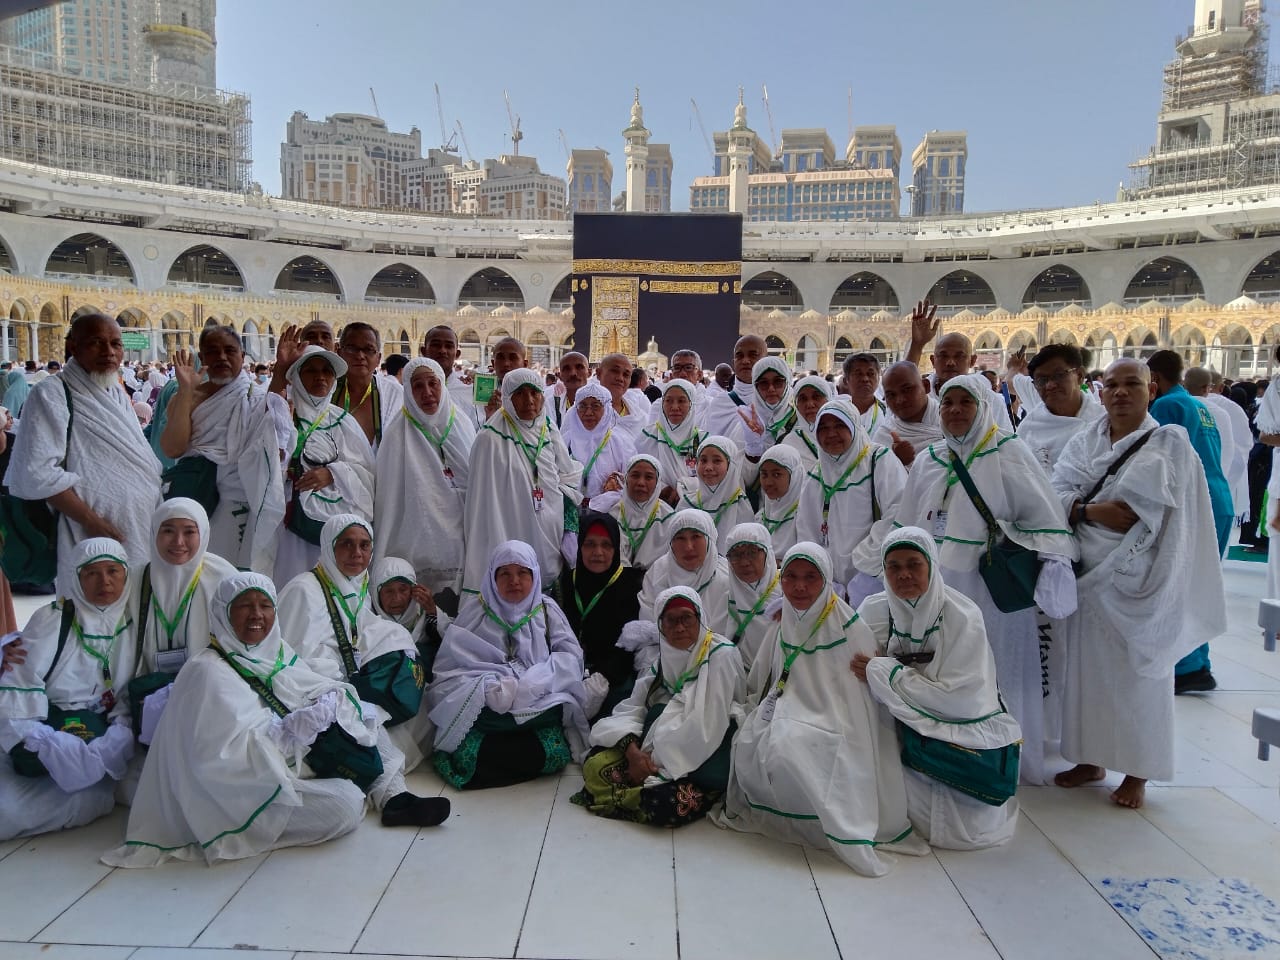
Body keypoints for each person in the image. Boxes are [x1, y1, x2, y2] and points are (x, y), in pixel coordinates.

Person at [103, 573, 449, 867]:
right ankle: (357, 788)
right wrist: (288, 734)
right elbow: (219, 761)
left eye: (265, 605)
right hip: (247, 788)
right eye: (244, 606)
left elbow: (306, 683)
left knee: (366, 715)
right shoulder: (207, 671)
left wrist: (331, 700)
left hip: (300, 753)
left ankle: (394, 798)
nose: (257, 615)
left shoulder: (275, 649)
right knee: (343, 805)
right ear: (224, 612)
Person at [1052, 358, 1226, 809]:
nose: (1121, 392)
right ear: (1100, 391)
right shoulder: (1085, 440)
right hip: (1086, 574)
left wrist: (1162, 579)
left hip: (1140, 579)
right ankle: (1090, 758)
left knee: (1139, 678)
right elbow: (1056, 491)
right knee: (1087, 677)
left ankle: (1138, 772)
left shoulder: (1169, 444)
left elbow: (1176, 521)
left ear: (1152, 390)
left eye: (1132, 384)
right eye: (1112, 384)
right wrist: (1089, 511)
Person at [892, 373, 1077, 785]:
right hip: (938, 584)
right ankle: (948, 756)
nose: (955, 410)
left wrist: (1051, 562)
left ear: (983, 406)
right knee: (945, 667)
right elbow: (907, 521)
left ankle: (1004, 757)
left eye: (966, 402)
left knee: (998, 667)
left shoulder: (1008, 452)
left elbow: (1044, 515)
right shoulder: (929, 458)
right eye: (948, 403)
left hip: (990, 586)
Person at [714, 542, 927, 876]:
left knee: (796, 748)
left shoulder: (850, 628)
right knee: (760, 743)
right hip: (786, 707)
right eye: (791, 577)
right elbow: (764, 678)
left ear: (826, 579)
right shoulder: (783, 621)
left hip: (841, 721)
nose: (800, 587)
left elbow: (861, 704)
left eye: (811, 577)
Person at [853, 527, 1023, 849]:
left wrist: (886, 672)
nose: (904, 575)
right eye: (893, 566)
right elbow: (854, 667)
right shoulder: (874, 610)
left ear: (931, 564)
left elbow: (962, 699)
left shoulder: (962, 616)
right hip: (897, 721)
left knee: (967, 822)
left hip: (958, 729)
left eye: (913, 564)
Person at [572, 585, 745, 826]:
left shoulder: (720, 655)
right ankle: (638, 790)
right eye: (670, 620)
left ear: (700, 618)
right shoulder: (664, 658)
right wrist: (633, 753)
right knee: (595, 764)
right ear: (660, 626)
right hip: (656, 745)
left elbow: (707, 724)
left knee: (663, 803)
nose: (679, 628)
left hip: (705, 748)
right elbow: (634, 706)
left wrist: (653, 763)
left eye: (686, 618)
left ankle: (670, 789)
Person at [0, 539, 137, 840]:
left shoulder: (135, 621)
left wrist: (117, 735)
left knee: (95, 798)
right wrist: (44, 742)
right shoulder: (53, 619)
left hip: (101, 734)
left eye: (113, 571)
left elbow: (131, 689)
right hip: (44, 728)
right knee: (8, 809)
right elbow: (21, 682)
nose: (104, 582)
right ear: (76, 578)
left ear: (126, 575)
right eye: (92, 573)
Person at [426, 540, 592, 789]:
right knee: (477, 735)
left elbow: (570, 658)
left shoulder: (546, 610)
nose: (514, 581)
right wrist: (485, 688)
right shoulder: (476, 611)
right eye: (504, 573)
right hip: (491, 708)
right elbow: (449, 668)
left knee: (553, 752)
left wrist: (534, 683)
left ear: (534, 575)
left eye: (522, 572)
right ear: (492, 577)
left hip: (537, 703)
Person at [277, 515, 431, 770]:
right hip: (314, 688)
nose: (357, 553)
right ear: (329, 547)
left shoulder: (357, 585)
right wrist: (339, 684)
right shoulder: (303, 589)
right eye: (346, 544)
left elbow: (358, 630)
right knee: (370, 740)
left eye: (364, 545)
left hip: (347, 678)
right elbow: (290, 661)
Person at [6, 313, 161, 565]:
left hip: (141, 525)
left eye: (116, 344)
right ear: (73, 346)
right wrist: (90, 521)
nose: (109, 352)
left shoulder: (115, 391)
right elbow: (37, 472)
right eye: (96, 343)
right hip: (87, 532)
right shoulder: (51, 393)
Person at [158, 325, 292, 575]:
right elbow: (173, 448)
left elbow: (271, 436)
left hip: (241, 498)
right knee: (196, 571)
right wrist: (186, 391)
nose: (221, 357)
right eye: (212, 351)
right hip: (197, 493)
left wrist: (282, 370)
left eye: (229, 351)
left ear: (242, 356)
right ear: (202, 357)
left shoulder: (256, 395)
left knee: (232, 574)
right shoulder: (188, 396)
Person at [1147, 350, 1232, 693]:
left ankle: (1185, 667)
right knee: (1198, 582)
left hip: (1194, 502)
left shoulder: (1167, 406)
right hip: (1217, 497)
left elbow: (1155, 457)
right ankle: (1198, 664)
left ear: (1153, 378)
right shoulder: (1199, 406)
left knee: (1178, 583)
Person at [462, 368, 582, 597]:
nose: (529, 401)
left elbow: (567, 471)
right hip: (509, 524)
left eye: (534, 393)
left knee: (545, 577)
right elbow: (482, 500)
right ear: (507, 397)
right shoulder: (489, 438)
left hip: (549, 522)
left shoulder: (547, 425)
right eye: (519, 394)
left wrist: (563, 496)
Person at [276, 344, 376, 585]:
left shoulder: (343, 421)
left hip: (335, 523)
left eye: (326, 371)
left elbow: (369, 475)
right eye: (310, 371)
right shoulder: (284, 413)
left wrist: (333, 473)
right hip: (289, 525)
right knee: (294, 579)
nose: (320, 377)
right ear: (296, 377)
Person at [373, 357, 475, 593]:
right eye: (418, 386)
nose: (427, 393)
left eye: (433, 383)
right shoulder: (397, 434)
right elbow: (390, 502)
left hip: (463, 539)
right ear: (408, 391)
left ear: (442, 384)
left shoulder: (461, 424)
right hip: (416, 541)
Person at [796, 400, 905, 599]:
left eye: (840, 425)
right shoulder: (816, 476)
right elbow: (807, 532)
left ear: (854, 426)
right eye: (823, 428)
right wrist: (823, 578)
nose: (831, 434)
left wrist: (865, 571)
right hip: (831, 588)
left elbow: (897, 513)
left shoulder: (879, 460)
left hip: (874, 579)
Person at [559, 512, 645, 718]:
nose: (598, 552)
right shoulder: (565, 584)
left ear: (616, 548)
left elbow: (629, 645)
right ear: (580, 547)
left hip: (613, 676)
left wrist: (602, 676)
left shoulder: (631, 586)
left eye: (606, 545)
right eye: (590, 544)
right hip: (568, 671)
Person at [637, 509, 732, 636]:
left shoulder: (728, 577)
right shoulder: (657, 574)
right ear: (671, 543)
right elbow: (649, 626)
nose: (688, 547)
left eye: (696, 537)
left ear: (709, 539)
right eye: (680, 538)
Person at [1017, 343, 1105, 473]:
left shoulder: (1105, 423)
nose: (1050, 385)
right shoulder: (1028, 428)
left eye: (1059, 375)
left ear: (1080, 375)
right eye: (1041, 380)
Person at [560, 380, 636, 515]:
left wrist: (614, 489)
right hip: (569, 513)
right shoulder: (565, 441)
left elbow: (631, 482)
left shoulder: (621, 443)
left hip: (608, 514)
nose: (588, 412)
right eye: (582, 406)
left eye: (596, 406)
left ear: (607, 409)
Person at [369, 556, 447, 678]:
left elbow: (449, 640)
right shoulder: (368, 620)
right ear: (376, 594)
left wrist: (432, 610)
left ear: (413, 590)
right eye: (389, 591)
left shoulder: (424, 614)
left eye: (403, 590)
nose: (397, 598)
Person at [679, 434, 755, 553]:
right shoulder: (687, 504)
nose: (708, 467)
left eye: (717, 461)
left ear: (730, 465)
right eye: (703, 460)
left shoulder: (740, 506)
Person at [334, 322, 403, 451]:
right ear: (339, 352)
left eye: (368, 350)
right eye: (352, 348)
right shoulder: (326, 392)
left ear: (378, 358)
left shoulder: (395, 394)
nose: (360, 356)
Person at [724, 523, 781, 668]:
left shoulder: (787, 590)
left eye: (752, 553)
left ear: (767, 553)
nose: (744, 562)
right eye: (736, 555)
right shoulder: (726, 596)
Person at [638, 378, 703, 503]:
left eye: (681, 401)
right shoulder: (648, 436)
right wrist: (662, 488)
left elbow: (711, 477)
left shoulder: (702, 440)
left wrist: (684, 488)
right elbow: (636, 471)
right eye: (668, 401)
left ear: (692, 404)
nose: (674, 407)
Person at [871, 360, 944, 469]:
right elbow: (877, 475)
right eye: (891, 395)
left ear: (926, 386)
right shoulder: (884, 436)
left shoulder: (950, 421)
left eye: (907, 390)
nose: (900, 400)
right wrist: (895, 462)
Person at [609, 454, 673, 570]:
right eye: (635, 475)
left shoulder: (668, 518)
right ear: (626, 479)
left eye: (648, 477)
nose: (641, 483)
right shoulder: (613, 514)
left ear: (657, 482)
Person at [701, 335, 766, 445]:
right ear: (734, 362)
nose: (745, 361)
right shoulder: (719, 403)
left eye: (753, 355)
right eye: (739, 356)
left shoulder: (774, 402)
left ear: (765, 360)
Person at [421, 324, 481, 429]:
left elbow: (477, 429)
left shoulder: (469, 391)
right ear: (424, 351)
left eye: (448, 346)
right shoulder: (412, 390)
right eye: (436, 345)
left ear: (457, 354)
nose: (442, 351)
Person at [756, 444, 804, 557]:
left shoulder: (805, 516)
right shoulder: (761, 516)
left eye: (776, 475)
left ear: (794, 476)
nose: (768, 482)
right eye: (764, 475)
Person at [781, 374, 832, 469]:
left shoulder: (844, 435)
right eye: (803, 399)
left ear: (829, 399)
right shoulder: (790, 443)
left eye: (816, 397)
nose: (810, 404)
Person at [595, 352, 651, 439]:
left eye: (626, 375)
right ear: (599, 373)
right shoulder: (581, 412)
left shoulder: (640, 417)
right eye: (615, 371)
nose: (620, 378)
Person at [750, 356, 798, 448]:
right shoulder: (747, 421)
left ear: (787, 383)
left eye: (778, 382)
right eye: (763, 383)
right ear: (755, 387)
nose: (771, 389)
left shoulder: (801, 418)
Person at [841, 353, 887, 435]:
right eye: (858, 374)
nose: (865, 379)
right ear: (845, 381)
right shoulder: (838, 413)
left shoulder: (888, 412)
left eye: (871, 374)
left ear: (878, 379)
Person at [551, 351, 589, 427]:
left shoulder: (602, 404)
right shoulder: (551, 404)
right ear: (559, 376)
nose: (573, 373)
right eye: (566, 369)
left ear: (589, 372)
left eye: (579, 367)